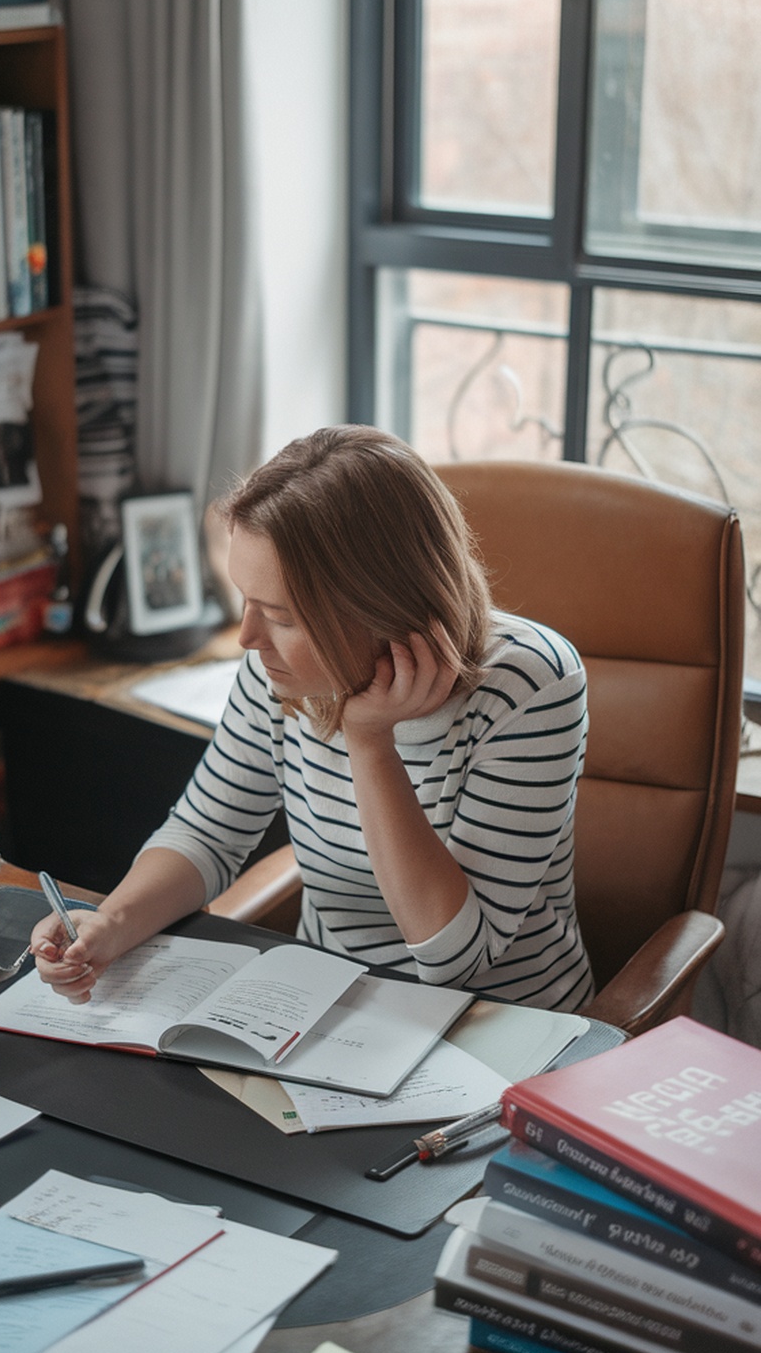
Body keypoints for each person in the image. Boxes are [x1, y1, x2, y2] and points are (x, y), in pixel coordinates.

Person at [31, 426, 594, 1012]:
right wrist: (108, 924)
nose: (249, 638)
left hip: (505, 1031)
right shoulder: (277, 671)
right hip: (329, 1013)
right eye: (244, 600)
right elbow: (207, 833)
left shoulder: (533, 684)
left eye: (279, 615)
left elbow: (456, 958)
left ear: (382, 607)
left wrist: (370, 743)